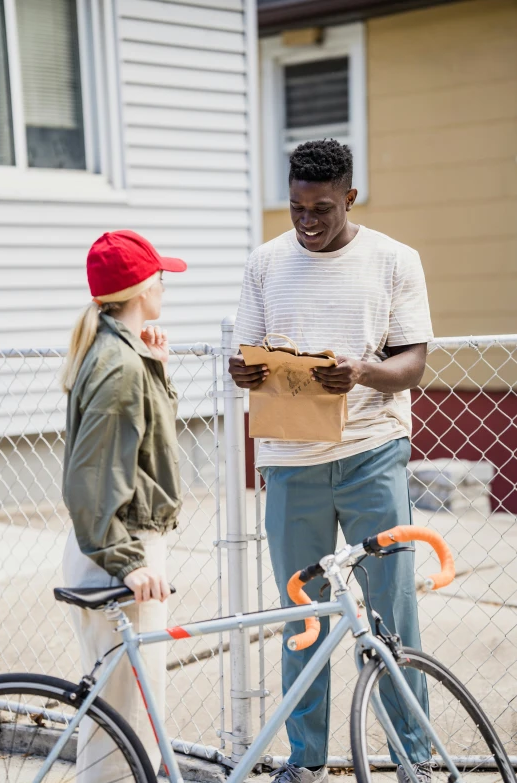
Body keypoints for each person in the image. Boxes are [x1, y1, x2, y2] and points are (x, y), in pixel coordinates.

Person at [229, 140, 434, 783]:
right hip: (290, 462)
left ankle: (414, 757)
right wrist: (245, 368)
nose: (307, 222)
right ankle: (306, 760)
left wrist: (365, 371)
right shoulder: (264, 264)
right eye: (295, 208)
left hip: (373, 452)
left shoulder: (396, 260)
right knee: (302, 616)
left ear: (350, 196)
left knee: (391, 613)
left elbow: (414, 365)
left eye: (321, 208)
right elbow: (249, 357)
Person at [61, 229, 187, 781]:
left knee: (126, 715)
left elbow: (139, 448)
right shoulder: (119, 368)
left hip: (118, 543)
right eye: (159, 275)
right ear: (140, 287)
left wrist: (156, 368)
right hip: (119, 547)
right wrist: (129, 561)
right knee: (123, 725)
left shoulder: (123, 354)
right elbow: (90, 482)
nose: (165, 282)